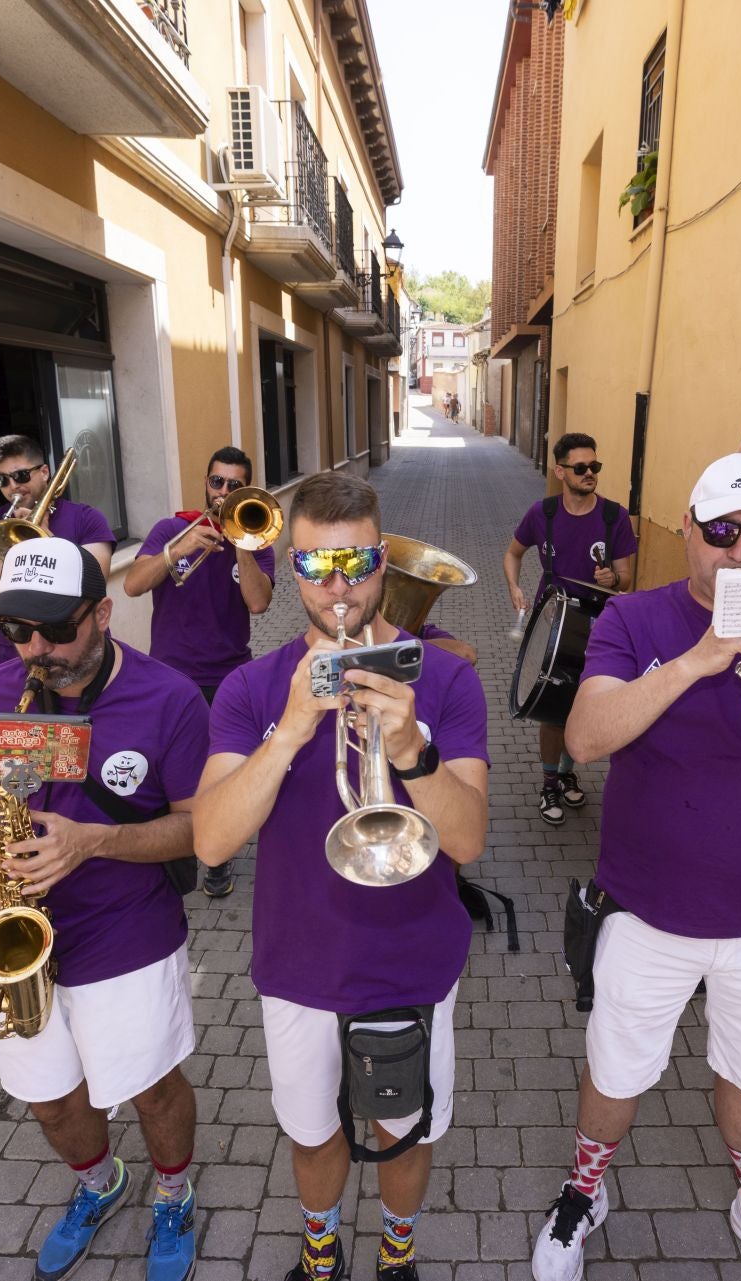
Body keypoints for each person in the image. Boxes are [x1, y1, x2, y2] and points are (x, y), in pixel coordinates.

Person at [530, 453, 741, 1281]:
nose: (740, 551)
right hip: (647, 911)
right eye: (720, 531)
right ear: (688, 529)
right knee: (615, 1068)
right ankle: (584, 1193)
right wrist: (695, 662)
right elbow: (582, 738)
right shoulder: (636, 620)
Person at [193, 472, 490, 1281]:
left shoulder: (450, 678)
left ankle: (396, 1252)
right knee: (312, 1128)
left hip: (412, 958)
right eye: (315, 566)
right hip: (299, 961)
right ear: (291, 568)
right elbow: (212, 841)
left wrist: (411, 751)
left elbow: (467, 841)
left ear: (382, 559)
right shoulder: (254, 687)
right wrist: (289, 730)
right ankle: (320, 1248)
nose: (337, 587)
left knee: (406, 1128)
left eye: (355, 563)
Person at [0, 537, 208, 1281]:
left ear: (103, 612)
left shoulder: (169, 697)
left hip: (130, 929)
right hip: (25, 941)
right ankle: (100, 1182)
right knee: (51, 1099)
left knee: (151, 1087)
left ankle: (174, 1192)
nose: (37, 649)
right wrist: (3, 901)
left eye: (57, 629)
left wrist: (95, 842)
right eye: (18, 630)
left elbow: (200, 827)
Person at [124, 446, 275, 897]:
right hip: (169, 675)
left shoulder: (258, 532)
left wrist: (243, 546)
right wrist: (179, 550)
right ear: (205, 482)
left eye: (234, 486)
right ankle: (166, 852)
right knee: (170, 771)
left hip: (228, 674)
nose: (223, 493)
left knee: (220, 772)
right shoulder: (171, 529)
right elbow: (132, 585)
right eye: (217, 482)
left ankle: (216, 857)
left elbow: (259, 602)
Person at [503, 432, 638, 824]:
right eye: (581, 468)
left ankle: (565, 773)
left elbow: (627, 576)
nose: (590, 473)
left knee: (582, 704)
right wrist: (514, 587)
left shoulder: (614, 517)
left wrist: (613, 578)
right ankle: (548, 784)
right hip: (552, 621)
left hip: (600, 625)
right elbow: (513, 553)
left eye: (594, 466)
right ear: (560, 471)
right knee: (550, 706)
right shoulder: (542, 514)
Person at [0, 434, 115, 667]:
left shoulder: (87, 519)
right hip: (12, 659)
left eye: (20, 476)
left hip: (79, 655)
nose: (13, 486)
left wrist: (47, 541)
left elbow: (91, 591)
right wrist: (6, 557)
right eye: (2, 481)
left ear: (44, 472)